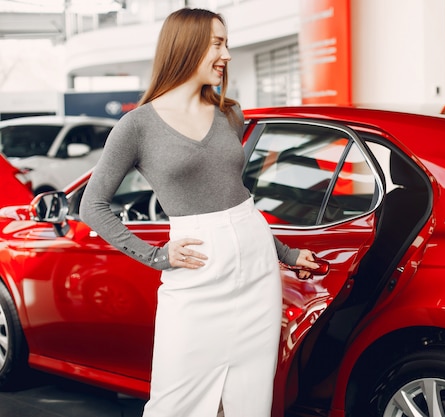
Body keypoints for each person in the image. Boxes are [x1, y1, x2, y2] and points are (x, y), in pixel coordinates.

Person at [79, 7, 318, 417]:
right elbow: (91, 206)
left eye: (228, 44)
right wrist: (156, 255)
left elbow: (235, 201)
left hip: (258, 274)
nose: (227, 55)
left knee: (249, 402)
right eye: (217, 44)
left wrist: (287, 254)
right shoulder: (137, 126)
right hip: (197, 275)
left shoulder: (230, 113)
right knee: (176, 404)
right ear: (186, 47)